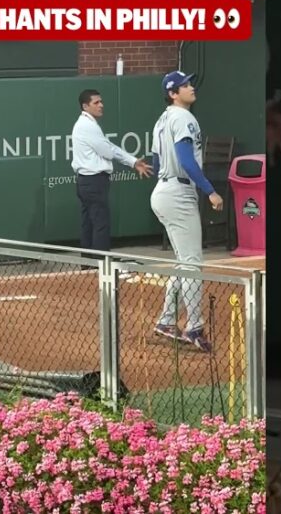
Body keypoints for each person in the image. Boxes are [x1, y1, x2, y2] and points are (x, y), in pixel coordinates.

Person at [148, 71, 221, 352]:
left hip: (165, 191)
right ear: (173, 93)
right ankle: (194, 326)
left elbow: (156, 161)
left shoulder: (162, 119)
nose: (191, 87)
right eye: (185, 85)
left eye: (189, 83)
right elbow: (187, 161)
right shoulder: (182, 118)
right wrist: (210, 190)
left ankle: (167, 320)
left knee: (183, 261)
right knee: (192, 263)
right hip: (177, 192)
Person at [70, 89, 153, 252]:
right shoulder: (87, 126)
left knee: (89, 223)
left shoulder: (87, 124)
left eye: (101, 101)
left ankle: (89, 267)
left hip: (86, 182)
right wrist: (133, 162)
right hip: (94, 182)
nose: (101, 105)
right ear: (85, 106)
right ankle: (102, 266)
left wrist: (133, 161)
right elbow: (108, 151)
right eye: (96, 103)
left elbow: (108, 146)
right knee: (100, 224)